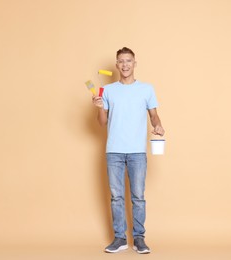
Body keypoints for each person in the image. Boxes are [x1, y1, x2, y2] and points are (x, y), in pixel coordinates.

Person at [92, 47, 165, 254]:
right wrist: (99, 108)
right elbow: (102, 123)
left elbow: (154, 115)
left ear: (135, 63)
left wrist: (158, 125)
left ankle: (139, 238)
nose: (125, 65)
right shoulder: (108, 91)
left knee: (138, 196)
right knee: (116, 197)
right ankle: (120, 238)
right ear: (117, 65)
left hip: (137, 152)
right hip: (114, 150)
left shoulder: (146, 89)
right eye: (121, 61)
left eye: (129, 61)